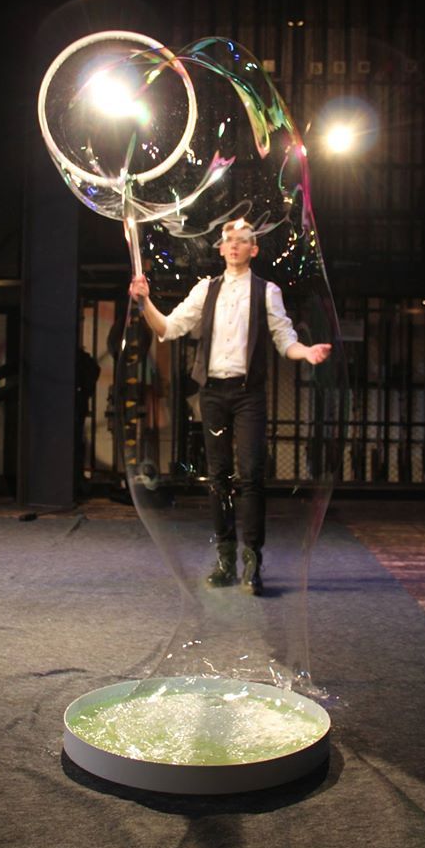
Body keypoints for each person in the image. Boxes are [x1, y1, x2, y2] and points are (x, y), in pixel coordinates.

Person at [129, 218, 331, 596]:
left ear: (254, 249)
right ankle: (225, 560)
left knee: (251, 475)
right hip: (213, 393)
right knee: (218, 477)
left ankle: (252, 561)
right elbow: (168, 329)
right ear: (220, 248)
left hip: (248, 393)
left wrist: (306, 352)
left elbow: (284, 338)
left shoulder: (267, 291)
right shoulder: (205, 290)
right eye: (229, 240)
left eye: (242, 240)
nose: (235, 245)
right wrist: (144, 302)